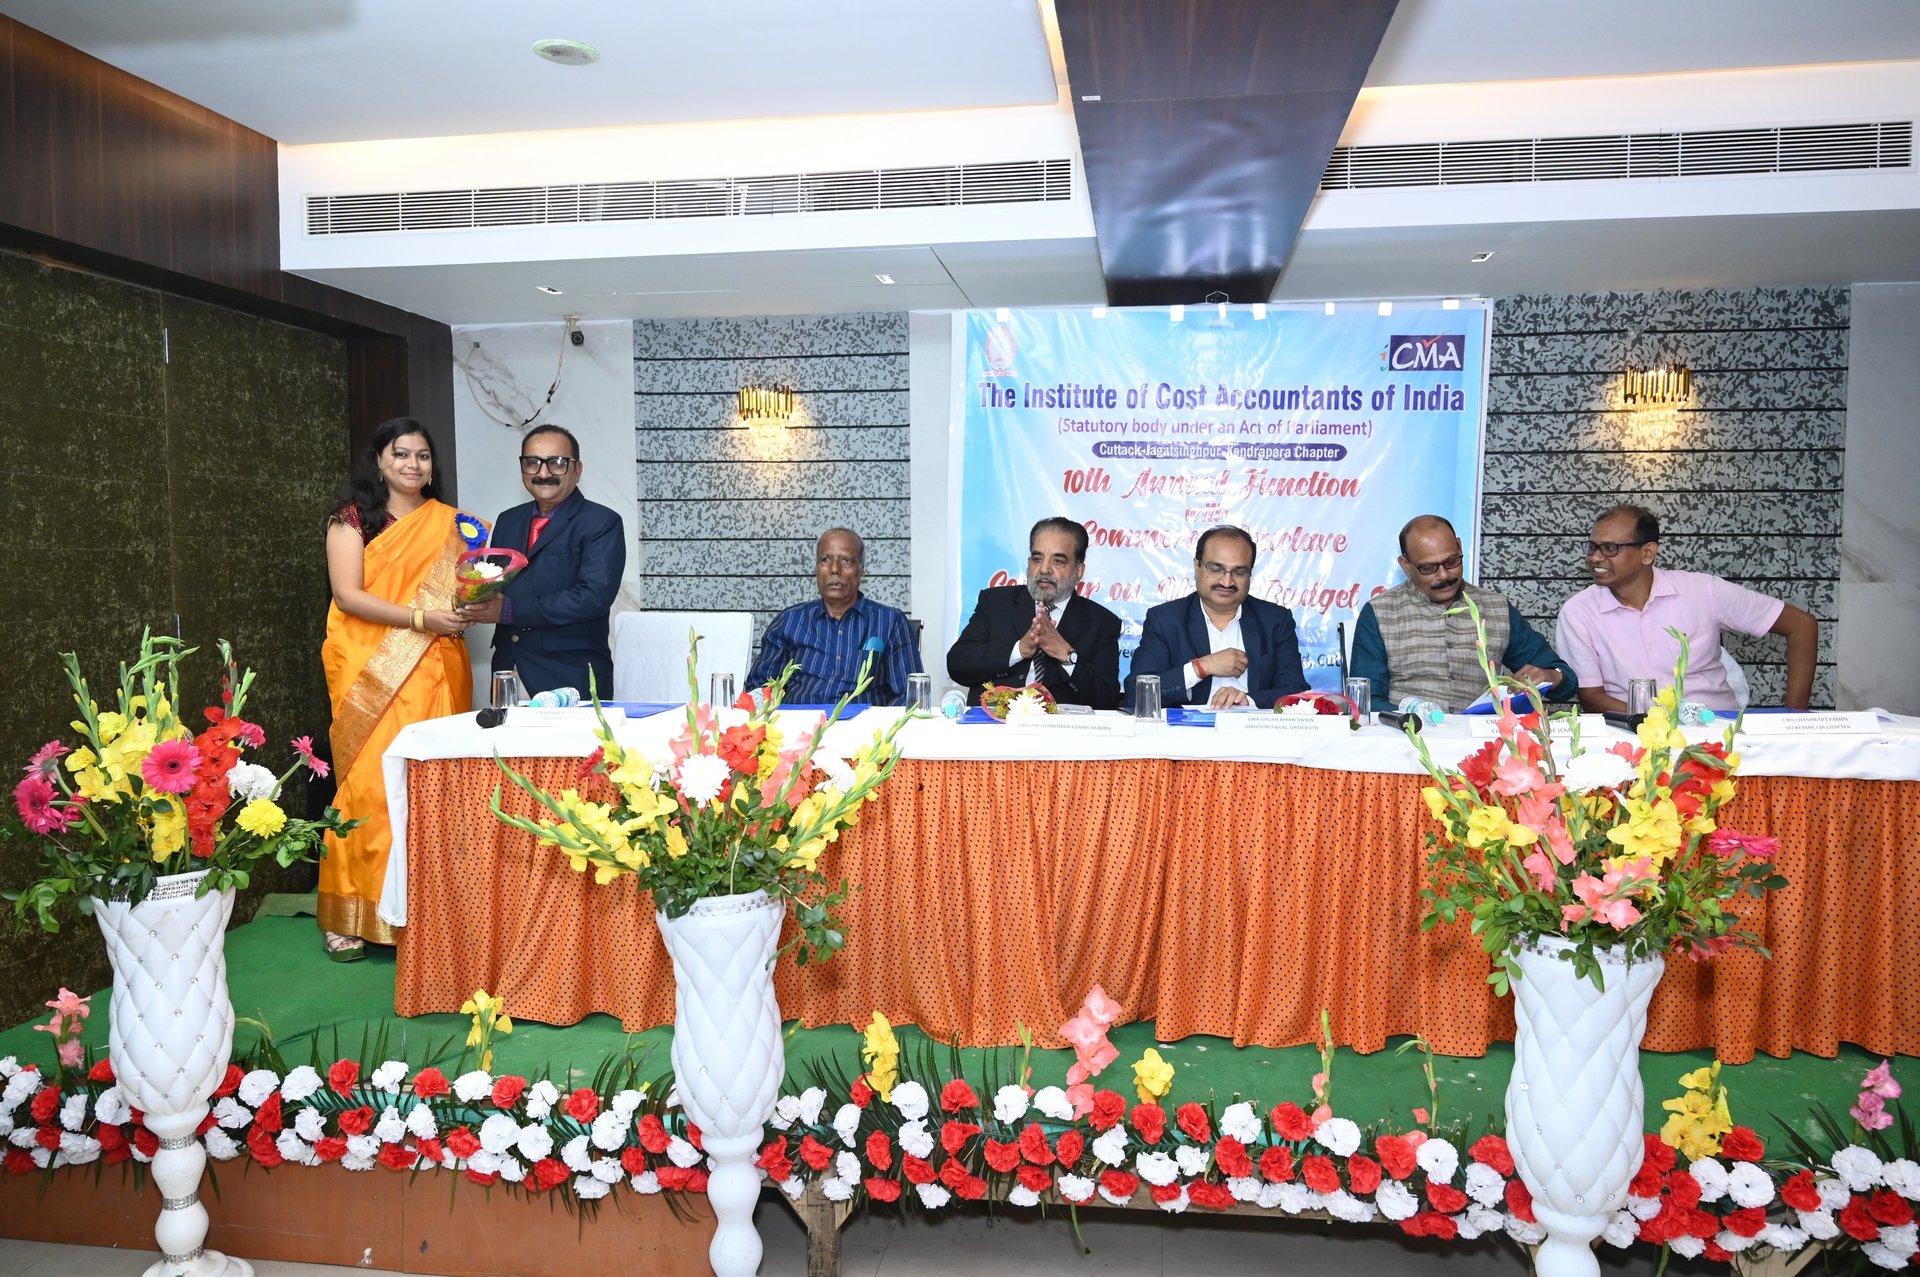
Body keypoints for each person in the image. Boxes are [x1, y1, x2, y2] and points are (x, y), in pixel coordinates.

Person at [320, 417, 474, 961]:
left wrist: (470, 607)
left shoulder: (456, 524)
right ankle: (350, 915)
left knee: (436, 786)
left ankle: (431, 916)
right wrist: (421, 619)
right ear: (379, 462)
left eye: (423, 455)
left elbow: (462, 594)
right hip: (371, 666)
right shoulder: (353, 521)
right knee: (370, 786)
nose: (414, 465)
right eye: (401, 454)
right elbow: (349, 597)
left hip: (437, 666)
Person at [1556, 503, 1819, 712]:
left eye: (1610, 548)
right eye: (1592, 547)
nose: (1595, 557)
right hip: (1630, 737)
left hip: (1716, 733)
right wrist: (1661, 726)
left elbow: (1801, 626)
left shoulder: (1703, 591)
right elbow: (1591, 698)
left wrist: (1793, 717)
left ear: (1647, 553)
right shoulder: (1578, 612)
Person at [457, 425, 626, 697]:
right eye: (532, 463)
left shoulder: (601, 523)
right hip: (508, 669)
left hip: (569, 674)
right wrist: (473, 600)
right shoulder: (508, 520)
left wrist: (509, 610)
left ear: (577, 469)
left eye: (557, 463)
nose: (543, 473)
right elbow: (497, 584)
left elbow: (592, 597)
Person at [1349, 514, 1577, 713]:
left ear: (1459, 546)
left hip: (1481, 746)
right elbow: (1366, 700)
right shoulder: (1380, 613)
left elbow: (1565, 680)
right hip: (1407, 743)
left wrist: (1552, 677)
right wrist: (1416, 718)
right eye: (1428, 568)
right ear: (1406, 565)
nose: (1444, 575)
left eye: (1451, 561)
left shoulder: (1495, 607)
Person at [947, 517, 1124, 709]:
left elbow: (1108, 699)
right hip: (995, 728)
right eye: (1037, 559)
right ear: (1029, 562)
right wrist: (1018, 650)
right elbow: (957, 664)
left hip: (1064, 733)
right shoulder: (995, 603)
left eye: (1058, 561)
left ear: (1079, 571)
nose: (1044, 569)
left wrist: (1065, 654)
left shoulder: (1102, 622)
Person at [1126, 525, 1309, 709]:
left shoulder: (1275, 620)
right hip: (1185, 735)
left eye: (1239, 572)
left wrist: (1248, 701)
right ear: (1197, 566)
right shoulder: (1165, 620)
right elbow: (1137, 695)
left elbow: (1296, 692)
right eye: (1215, 568)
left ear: (1250, 574)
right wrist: (1202, 667)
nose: (1227, 581)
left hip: (1255, 733)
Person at [747, 528, 921, 705]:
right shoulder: (789, 621)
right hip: (798, 727)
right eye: (825, 560)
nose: (835, 569)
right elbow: (759, 688)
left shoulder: (891, 622)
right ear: (816, 568)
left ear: (862, 570)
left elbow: (908, 695)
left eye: (846, 561)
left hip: (863, 728)